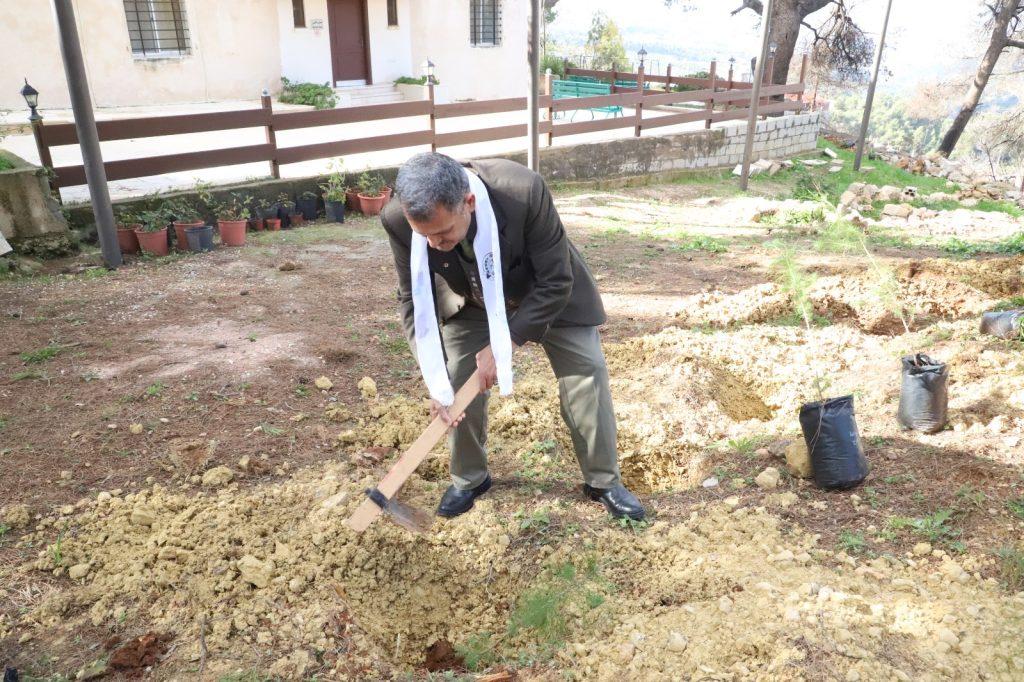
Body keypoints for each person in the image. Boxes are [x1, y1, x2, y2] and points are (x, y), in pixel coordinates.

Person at [381, 152, 645, 521]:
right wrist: (433, 376)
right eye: (424, 236)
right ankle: (469, 479)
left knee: (586, 371)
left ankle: (603, 481)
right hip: (471, 298)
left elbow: (557, 280)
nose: (435, 244)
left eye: (443, 233)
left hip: (544, 293)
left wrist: (506, 343)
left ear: (468, 203)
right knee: (455, 379)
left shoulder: (522, 191)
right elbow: (412, 296)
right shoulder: (397, 219)